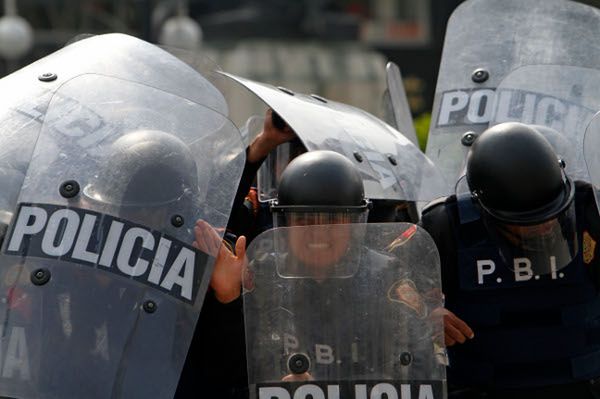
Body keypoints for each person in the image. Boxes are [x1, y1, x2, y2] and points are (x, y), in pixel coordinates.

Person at [420, 122, 600, 398]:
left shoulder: (591, 210)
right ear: (485, 211)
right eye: (528, 223)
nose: (544, 228)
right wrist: (424, 315)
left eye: (552, 214)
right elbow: (392, 290)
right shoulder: (446, 227)